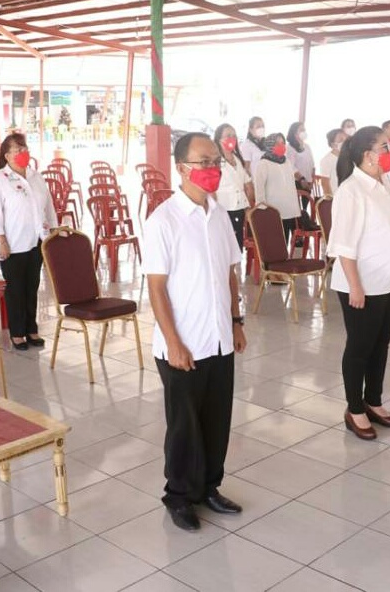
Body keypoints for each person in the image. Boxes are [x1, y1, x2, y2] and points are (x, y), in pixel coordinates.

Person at [143, 132, 247, 531]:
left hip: (219, 337)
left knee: (217, 420)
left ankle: (208, 487)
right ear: (182, 167)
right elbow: (156, 288)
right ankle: (180, 496)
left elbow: (230, 272)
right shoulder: (163, 221)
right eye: (204, 161)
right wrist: (173, 342)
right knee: (184, 426)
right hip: (182, 344)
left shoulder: (219, 214)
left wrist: (236, 321)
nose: (212, 168)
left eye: (216, 160)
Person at [328, 126, 390, 440]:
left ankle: (374, 401)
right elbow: (343, 245)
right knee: (359, 347)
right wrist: (355, 286)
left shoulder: (386, 185)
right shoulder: (351, 191)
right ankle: (355, 408)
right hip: (363, 285)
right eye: (385, 146)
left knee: (380, 345)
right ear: (368, 155)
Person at [0, 134, 56, 351]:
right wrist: (1, 241)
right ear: (7, 155)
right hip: (12, 244)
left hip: (37, 241)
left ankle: (31, 328)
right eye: (17, 149)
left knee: (32, 286)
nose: (22, 151)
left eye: (24, 147)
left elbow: (49, 207)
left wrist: (52, 231)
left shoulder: (36, 177)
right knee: (16, 289)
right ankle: (17, 333)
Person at [253, 133, 303, 242]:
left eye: (282, 143)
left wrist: (295, 207)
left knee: (287, 241)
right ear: (270, 145)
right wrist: (263, 210)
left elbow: (291, 186)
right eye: (277, 143)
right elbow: (259, 188)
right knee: (275, 242)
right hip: (273, 211)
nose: (281, 146)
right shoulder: (263, 163)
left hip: (289, 210)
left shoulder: (286, 162)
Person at [213, 123, 253, 250]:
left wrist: (249, 206)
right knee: (224, 246)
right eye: (228, 136)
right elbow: (211, 189)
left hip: (239, 207)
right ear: (219, 140)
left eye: (234, 136)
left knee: (237, 244)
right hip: (223, 208)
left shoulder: (238, 159)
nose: (232, 139)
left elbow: (248, 184)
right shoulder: (215, 162)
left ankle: (235, 268)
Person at [319, 129, 346, 194]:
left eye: (345, 140)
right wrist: (331, 201)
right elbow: (325, 183)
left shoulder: (347, 157)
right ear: (333, 144)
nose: (344, 142)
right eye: (341, 140)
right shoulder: (326, 160)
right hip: (336, 198)